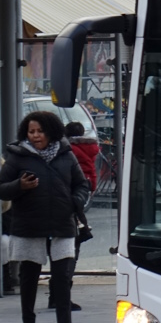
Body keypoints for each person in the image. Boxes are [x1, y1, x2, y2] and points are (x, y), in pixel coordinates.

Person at [0, 111, 91, 323]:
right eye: (31, 132)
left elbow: (81, 185)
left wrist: (75, 201)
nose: (36, 136)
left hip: (62, 224)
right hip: (30, 224)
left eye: (39, 131)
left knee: (62, 277)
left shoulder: (66, 154)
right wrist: (20, 185)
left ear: (51, 131)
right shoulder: (17, 156)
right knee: (29, 277)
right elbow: (0, 188)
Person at [56, 122, 98, 311]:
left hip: (64, 203)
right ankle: (62, 293)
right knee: (72, 248)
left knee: (62, 250)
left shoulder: (66, 151)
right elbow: (87, 177)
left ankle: (58, 294)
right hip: (76, 203)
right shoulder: (89, 149)